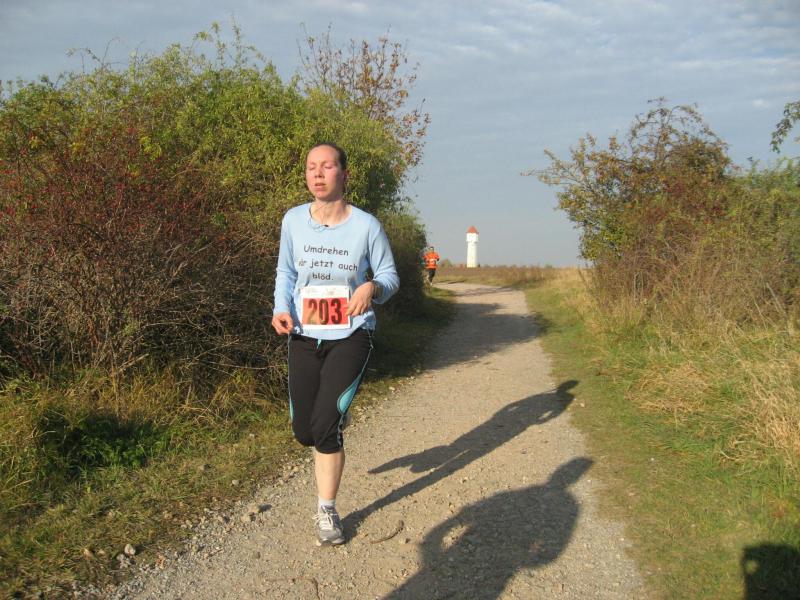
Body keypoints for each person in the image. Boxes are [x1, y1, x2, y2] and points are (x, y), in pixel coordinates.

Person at [271, 142, 399, 546]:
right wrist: (280, 308)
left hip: (351, 334)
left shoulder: (366, 226)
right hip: (303, 334)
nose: (318, 173)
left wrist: (371, 287)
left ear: (344, 174)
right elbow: (286, 272)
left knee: (324, 427)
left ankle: (327, 510)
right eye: (312, 167)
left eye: (327, 166)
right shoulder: (293, 220)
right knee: (304, 432)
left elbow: (390, 276)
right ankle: (331, 419)